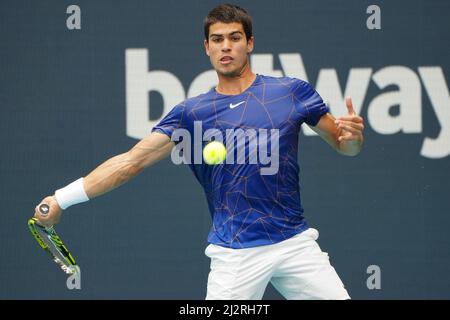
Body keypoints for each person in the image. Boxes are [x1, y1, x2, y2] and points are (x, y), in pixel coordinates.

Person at [34, 4, 364, 300]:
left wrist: (352, 138)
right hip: (235, 253)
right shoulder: (191, 113)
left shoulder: (290, 92)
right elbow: (131, 162)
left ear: (249, 43)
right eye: (217, 39)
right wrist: (61, 198)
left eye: (235, 38)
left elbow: (344, 146)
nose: (226, 46)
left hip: (294, 244)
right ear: (207, 48)